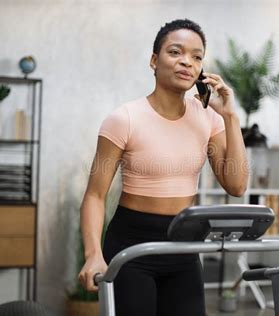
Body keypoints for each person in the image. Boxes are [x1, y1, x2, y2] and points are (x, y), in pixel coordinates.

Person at [78, 19, 248, 316]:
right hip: (131, 245)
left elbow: (236, 185)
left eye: (197, 57)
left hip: (183, 245)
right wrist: (93, 254)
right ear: (154, 60)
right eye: (175, 52)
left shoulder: (210, 118)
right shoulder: (124, 119)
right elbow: (94, 195)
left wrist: (230, 117)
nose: (187, 62)